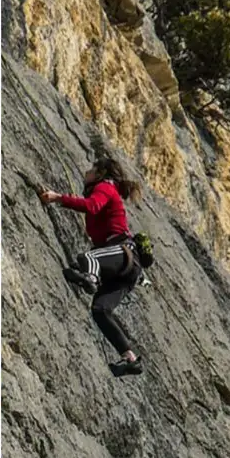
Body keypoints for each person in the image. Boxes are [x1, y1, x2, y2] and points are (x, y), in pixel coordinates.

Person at [40, 157, 145, 378]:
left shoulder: (105, 186)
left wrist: (58, 198)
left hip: (123, 252)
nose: (86, 173)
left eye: (90, 170)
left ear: (100, 173)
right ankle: (130, 359)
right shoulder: (106, 188)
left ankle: (91, 278)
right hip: (127, 269)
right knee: (100, 310)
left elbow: (92, 205)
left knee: (87, 258)